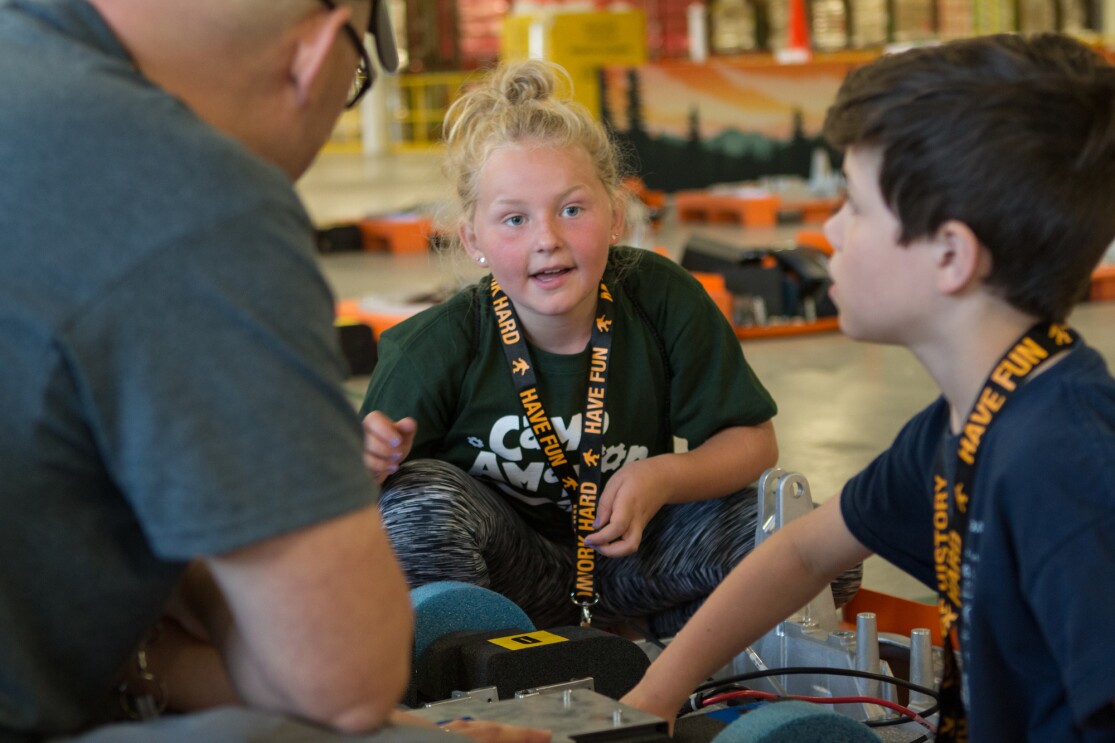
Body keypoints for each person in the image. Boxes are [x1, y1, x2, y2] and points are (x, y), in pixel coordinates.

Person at [0, 1, 546, 742]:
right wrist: (191, 603)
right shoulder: (198, 197)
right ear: (318, 55)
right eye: (355, 78)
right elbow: (341, 678)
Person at [621, 32, 1115, 741]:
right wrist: (651, 697)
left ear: (949, 254)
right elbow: (799, 554)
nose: (828, 229)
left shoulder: (1061, 459)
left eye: (853, 204)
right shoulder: (961, 425)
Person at [359, 59, 861, 638]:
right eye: (514, 219)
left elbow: (751, 442)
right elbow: (362, 516)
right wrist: (362, 463)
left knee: (827, 546)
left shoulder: (660, 296)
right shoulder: (436, 346)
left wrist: (664, 477)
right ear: (473, 239)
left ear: (616, 215)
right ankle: (487, 663)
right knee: (419, 501)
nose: (547, 240)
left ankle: (650, 638)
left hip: (636, 555)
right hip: (503, 583)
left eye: (572, 210)